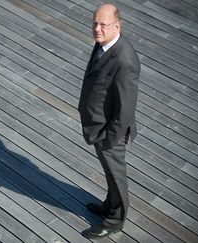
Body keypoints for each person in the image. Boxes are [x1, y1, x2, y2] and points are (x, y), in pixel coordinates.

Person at [78, 3, 140, 239]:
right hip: (98, 125)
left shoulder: (125, 61)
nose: (97, 29)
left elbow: (125, 109)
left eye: (103, 24)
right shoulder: (103, 42)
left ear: (117, 25)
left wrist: (109, 139)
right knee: (109, 172)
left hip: (109, 132)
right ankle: (110, 203)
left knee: (116, 174)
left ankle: (115, 220)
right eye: (94, 23)